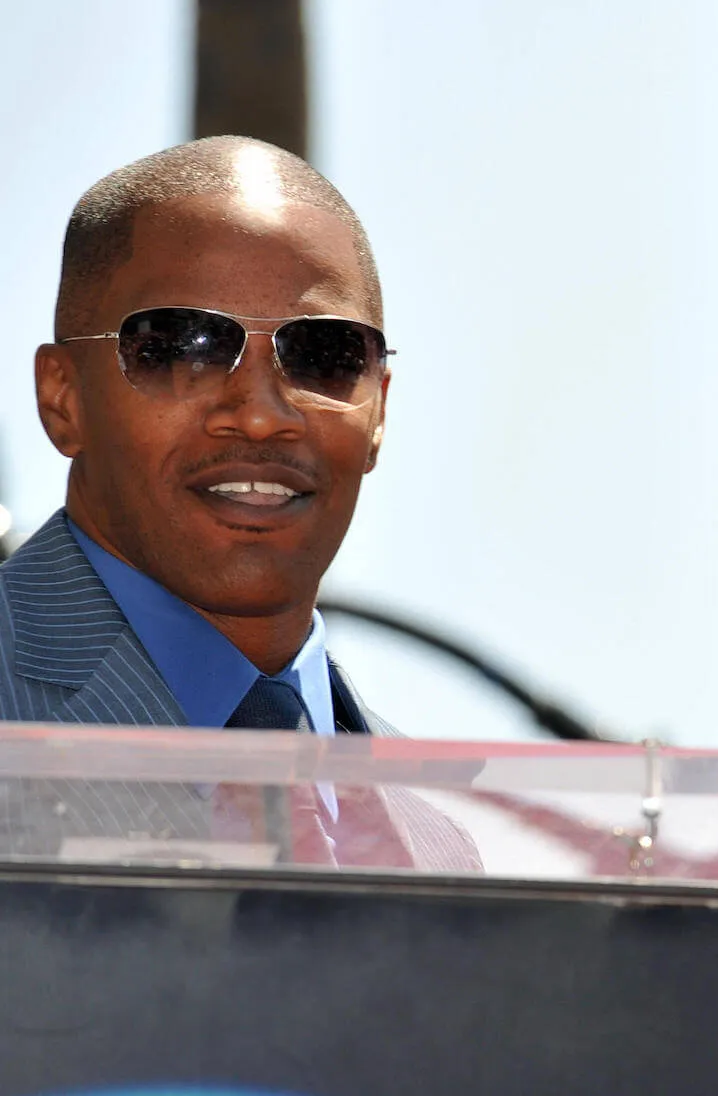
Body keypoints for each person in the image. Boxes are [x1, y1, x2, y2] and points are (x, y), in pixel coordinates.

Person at [1, 135, 476, 869]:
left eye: (326, 354)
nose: (260, 414)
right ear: (63, 399)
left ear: (378, 410)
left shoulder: (442, 838)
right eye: (179, 346)